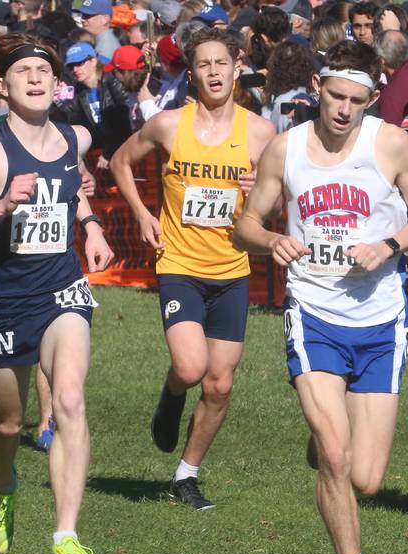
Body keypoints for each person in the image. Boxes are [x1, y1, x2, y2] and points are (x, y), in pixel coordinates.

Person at [233, 40, 408, 554]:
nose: (344, 109)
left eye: (356, 99)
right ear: (318, 87)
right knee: (336, 454)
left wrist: (389, 244)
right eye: (335, 96)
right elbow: (246, 221)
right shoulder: (286, 148)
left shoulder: (391, 143)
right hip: (314, 312)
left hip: (380, 319)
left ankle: (329, 447)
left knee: (367, 479)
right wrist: (272, 238)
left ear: (372, 98)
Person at [0, 33, 114, 554]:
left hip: (61, 288)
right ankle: (2, 485)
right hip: (4, 299)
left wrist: (91, 226)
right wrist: (1, 205)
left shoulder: (71, 137)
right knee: (8, 424)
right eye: (24, 72)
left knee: (70, 399)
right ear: (0, 85)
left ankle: (66, 536)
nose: (37, 78)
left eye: (44, 70)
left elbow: (71, 186)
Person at [110, 28, 275, 510]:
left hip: (232, 269)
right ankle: (171, 392)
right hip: (180, 262)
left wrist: (259, 185)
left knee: (220, 384)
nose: (213, 73)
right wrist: (142, 214)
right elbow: (121, 161)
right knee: (190, 366)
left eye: (221, 63)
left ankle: (186, 474)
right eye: (203, 65)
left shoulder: (261, 133)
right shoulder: (168, 125)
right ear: (192, 72)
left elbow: (281, 194)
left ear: (237, 66)